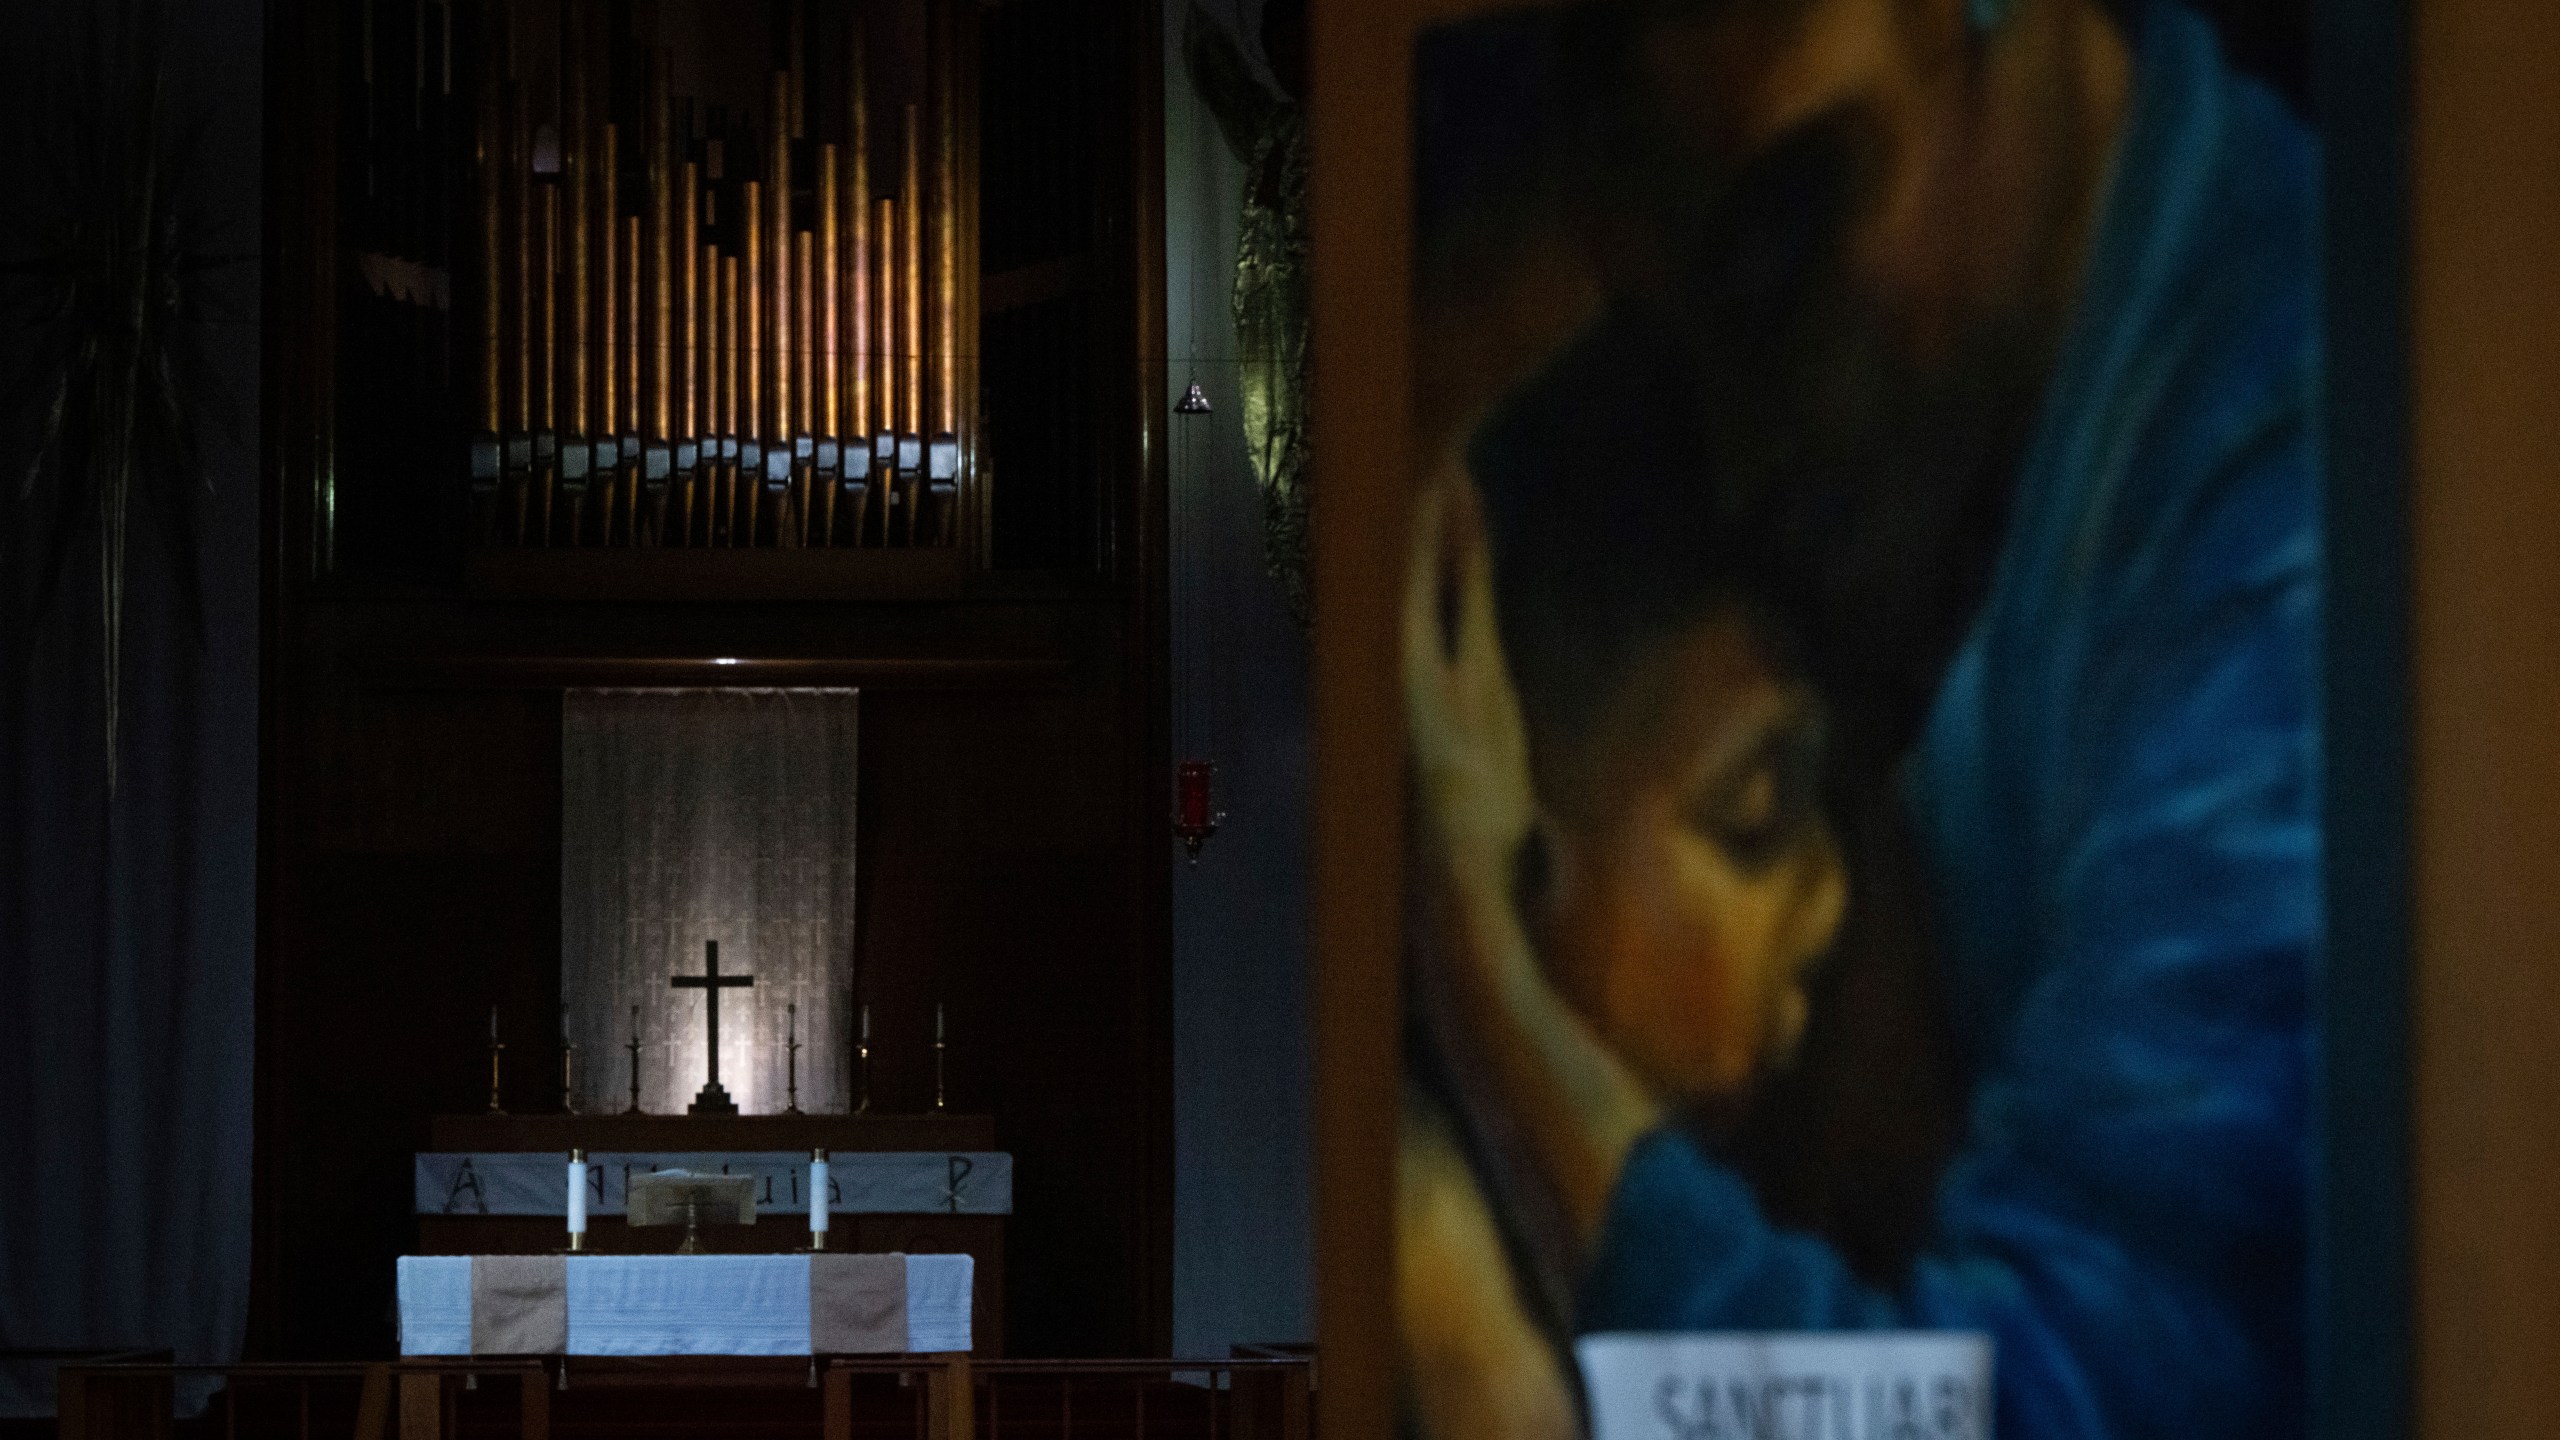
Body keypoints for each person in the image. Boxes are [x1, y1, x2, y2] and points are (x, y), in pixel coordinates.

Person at [1403, 0, 2321, 1432]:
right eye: (1687, 324)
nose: (1749, 446)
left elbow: (2047, 1409)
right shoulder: (2002, 463)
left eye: (1794, 226)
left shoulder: (2283, 502)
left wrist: (1502, 1021)